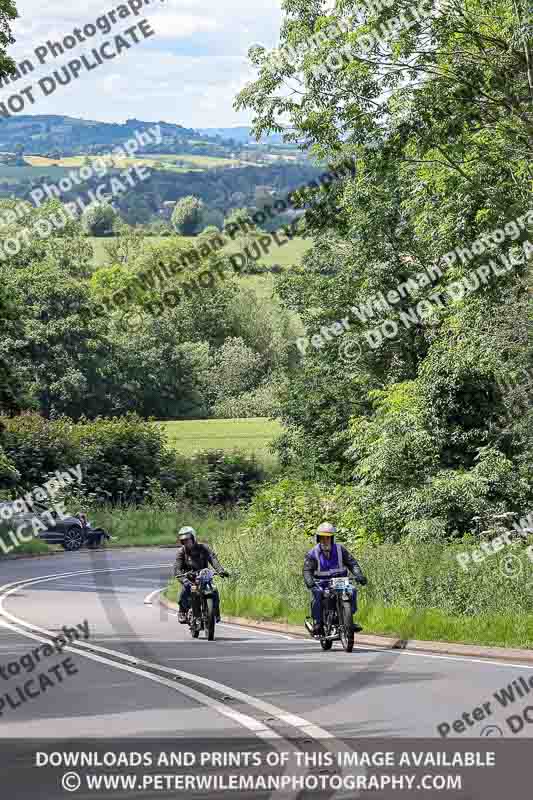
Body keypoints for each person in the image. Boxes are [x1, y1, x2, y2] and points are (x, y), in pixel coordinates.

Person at [303, 522, 367, 636]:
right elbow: (307, 570)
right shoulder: (313, 553)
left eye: (327, 538)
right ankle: (318, 623)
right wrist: (309, 582)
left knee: (352, 590)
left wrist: (359, 575)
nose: (325, 540)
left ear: (332, 539)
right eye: (322, 538)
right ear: (318, 538)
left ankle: (349, 620)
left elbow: (352, 563)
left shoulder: (340, 549)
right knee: (317, 594)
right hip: (321, 583)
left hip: (340, 582)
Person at [174, 526, 229, 624]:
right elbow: (177, 569)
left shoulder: (204, 548)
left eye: (188, 540)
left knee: (214, 590)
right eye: (183, 541)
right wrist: (183, 579)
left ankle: (215, 612)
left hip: (204, 577)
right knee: (185, 589)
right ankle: (182, 611)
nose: (186, 542)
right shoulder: (181, 552)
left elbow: (213, 559)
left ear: (193, 538)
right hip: (190, 579)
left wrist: (220, 570)